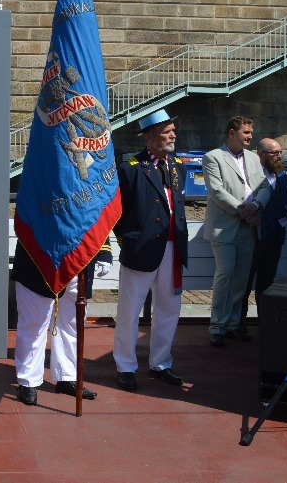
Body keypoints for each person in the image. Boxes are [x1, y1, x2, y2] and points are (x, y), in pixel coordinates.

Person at [112, 110, 189, 392]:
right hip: (141, 250)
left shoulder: (177, 165)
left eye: (173, 130)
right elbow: (118, 212)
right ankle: (125, 366)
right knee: (129, 311)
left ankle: (161, 363)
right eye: (167, 131)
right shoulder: (131, 168)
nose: (173, 135)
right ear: (149, 137)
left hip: (172, 249)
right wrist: (127, 240)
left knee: (169, 310)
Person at [203, 115, 273, 347]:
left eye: (251, 133)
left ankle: (233, 324)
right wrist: (245, 211)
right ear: (231, 133)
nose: (250, 137)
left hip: (248, 227)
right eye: (246, 133)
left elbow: (264, 186)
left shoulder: (254, 158)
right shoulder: (213, 157)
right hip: (225, 228)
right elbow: (216, 191)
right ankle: (217, 326)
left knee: (241, 279)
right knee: (225, 275)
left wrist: (257, 205)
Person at [13, 240, 108, 405]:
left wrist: (104, 250)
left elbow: (96, 215)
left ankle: (67, 376)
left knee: (72, 324)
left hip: (79, 258)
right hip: (39, 257)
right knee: (34, 325)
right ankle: (28, 381)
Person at [243, 138, 287, 313]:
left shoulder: (281, 175)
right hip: (254, 236)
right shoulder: (252, 174)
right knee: (246, 282)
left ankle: (264, 319)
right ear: (260, 154)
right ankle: (239, 322)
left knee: (267, 282)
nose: (278, 156)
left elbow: (285, 201)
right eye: (274, 153)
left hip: (275, 237)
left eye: (280, 152)